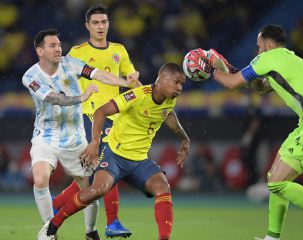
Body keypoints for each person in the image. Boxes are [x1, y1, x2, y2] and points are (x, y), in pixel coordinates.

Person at [190, 24, 303, 240]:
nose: (257, 52)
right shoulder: (290, 59)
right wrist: (228, 67)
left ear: (268, 45)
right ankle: (272, 238)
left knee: (276, 183)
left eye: (259, 47)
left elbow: (231, 84)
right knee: (274, 179)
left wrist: (209, 68)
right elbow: (260, 87)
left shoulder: (268, 58)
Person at [38, 63, 190, 240]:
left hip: (139, 160)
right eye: (177, 82)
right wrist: (95, 142)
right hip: (115, 156)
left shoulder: (169, 99)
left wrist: (184, 138)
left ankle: (164, 238)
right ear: (163, 78)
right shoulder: (137, 95)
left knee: (162, 186)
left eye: (182, 84)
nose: (179, 88)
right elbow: (101, 112)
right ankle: (53, 225)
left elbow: (169, 114)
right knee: (97, 189)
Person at [22, 28, 138, 240]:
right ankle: (50, 231)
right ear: (40, 50)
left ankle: (90, 232)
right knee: (40, 179)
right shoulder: (30, 76)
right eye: (52, 46)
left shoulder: (71, 63)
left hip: (75, 139)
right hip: (45, 137)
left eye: (59, 44)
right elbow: (53, 98)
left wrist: (125, 82)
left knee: (89, 189)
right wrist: (82, 97)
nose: (58, 49)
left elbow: (99, 74)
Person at [51, 5, 137, 238]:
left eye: (104, 22)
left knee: (90, 177)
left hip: (116, 119)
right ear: (87, 26)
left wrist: (139, 89)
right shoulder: (77, 52)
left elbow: (131, 81)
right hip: (88, 117)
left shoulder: (119, 50)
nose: (100, 26)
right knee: (109, 168)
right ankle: (113, 222)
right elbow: (60, 81)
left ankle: (56, 204)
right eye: (95, 23)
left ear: (108, 24)